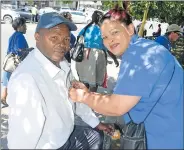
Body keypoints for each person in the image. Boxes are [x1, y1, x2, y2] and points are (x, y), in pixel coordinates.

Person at [69, 5, 184, 149]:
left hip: (163, 136)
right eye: (105, 37)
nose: (110, 40)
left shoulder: (140, 55)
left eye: (114, 32)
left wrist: (83, 97)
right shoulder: (143, 48)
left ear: (130, 29)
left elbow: (116, 106)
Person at [6, 12, 113, 149]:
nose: (62, 45)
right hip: (50, 145)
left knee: (97, 136)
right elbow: (21, 140)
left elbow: (76, 100)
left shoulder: (62, 64)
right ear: (37, 37)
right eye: (54, 37)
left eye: (66, 40)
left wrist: (96, 123)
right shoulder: (26, 80)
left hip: (65, 135)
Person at [76, 10, 118, 92]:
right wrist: (115, 59)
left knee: (85, 80)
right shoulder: (102, 30)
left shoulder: (86, 28)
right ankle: (91, 99)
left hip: (84, 55)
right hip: (97, 56)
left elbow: (78, 40)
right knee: (94, 82)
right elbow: (108, 47)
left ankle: (84, 99)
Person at [1, 17, 29, 108]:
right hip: (16, 64)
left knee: (6, 81)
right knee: (17, 82)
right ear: (20, 26)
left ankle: (3, 98)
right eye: (24, 25)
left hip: (8, 62)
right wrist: (29, 50)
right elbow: (20, 51)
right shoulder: (20, 36)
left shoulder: (12, 36)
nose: (26, 27)